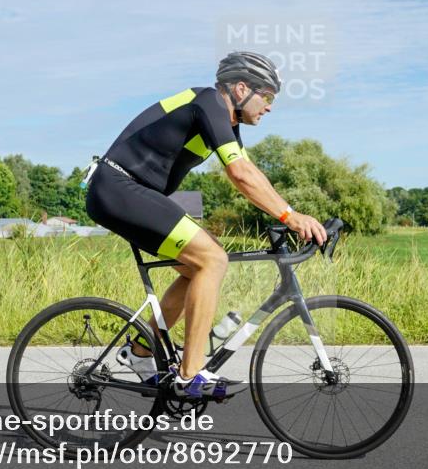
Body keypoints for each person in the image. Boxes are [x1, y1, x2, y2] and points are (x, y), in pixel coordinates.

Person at [84, 52, 327, 398]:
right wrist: (291, 216)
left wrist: (289, 213)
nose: (270, 106)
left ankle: (140, 352)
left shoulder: (225, 120)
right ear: (242, 88)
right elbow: (239, 175)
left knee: (197, 267)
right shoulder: (209, 102)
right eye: (268, 96)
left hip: (128, 191)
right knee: (213, 258)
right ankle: (190, 373)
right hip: (118, 187)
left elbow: (249, 171)